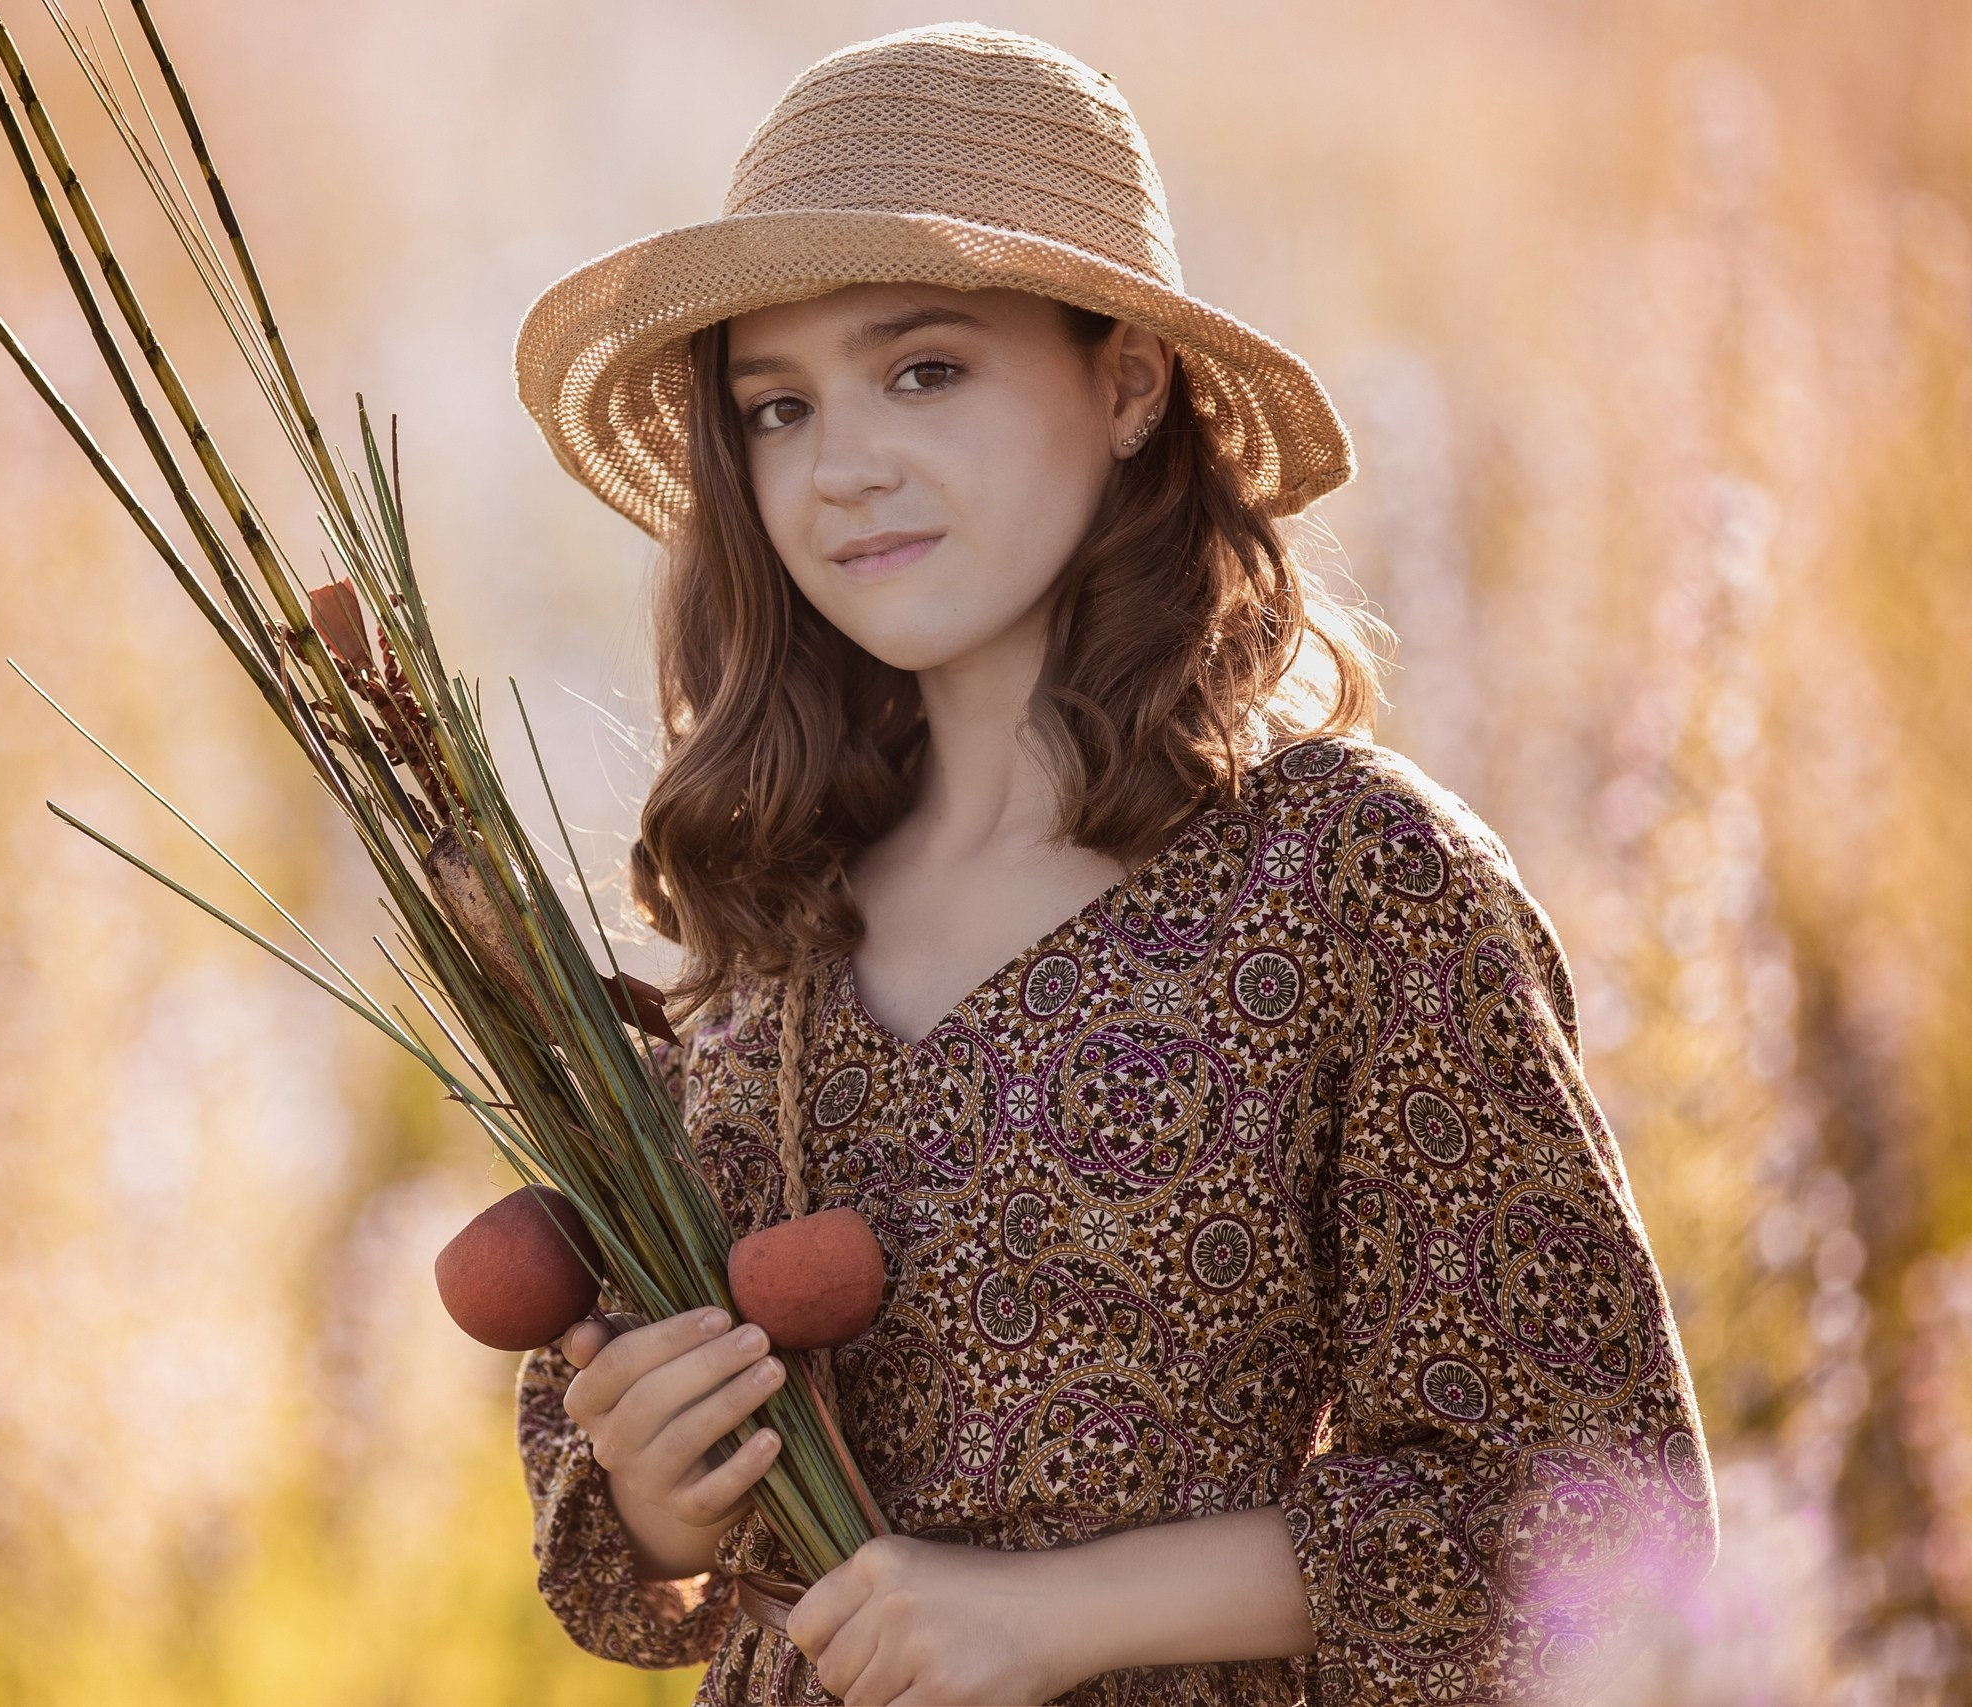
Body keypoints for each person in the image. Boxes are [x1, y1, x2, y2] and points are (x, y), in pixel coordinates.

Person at [506, 24, 1717, 1706]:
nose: (842, 466)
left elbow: (1595, 1512)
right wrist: (653, 1493)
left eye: (924, 371)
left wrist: (1060, 1615)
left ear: (1132, 381)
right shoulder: (772, 896)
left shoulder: (1351, 875)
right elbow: (642, 1567)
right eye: (779, 409)